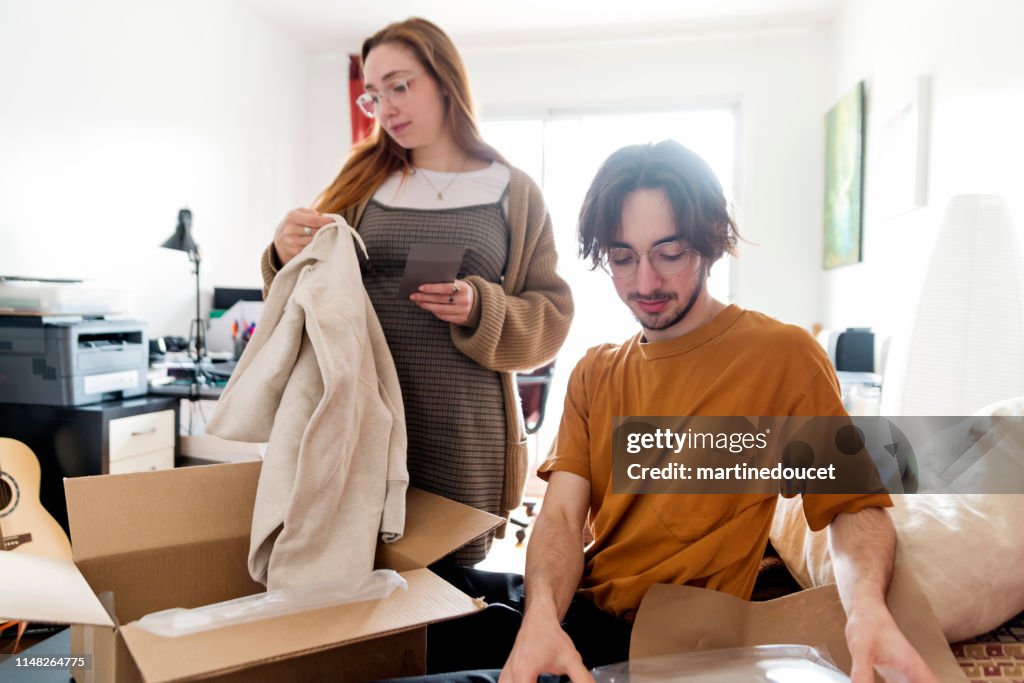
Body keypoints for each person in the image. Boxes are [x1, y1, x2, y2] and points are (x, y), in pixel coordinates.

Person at [395, 141, 938, 683]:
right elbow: (560, 517)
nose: (646, 283)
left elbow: (852, 508)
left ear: (709, 244)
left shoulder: (783, 358)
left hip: (650, 641)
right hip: (574, 603)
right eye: (623, 257)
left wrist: (867, 609)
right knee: (402, 599)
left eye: (670, 253)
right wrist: (541, 617)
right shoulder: (595, 370)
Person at [260, 17, 573, 565]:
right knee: (353, 584)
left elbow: (550, 317)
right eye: (374, 96)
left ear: (445, 80)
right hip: (363, 420)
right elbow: (301, 296)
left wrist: (482, 307)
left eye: (400, 86)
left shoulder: (514, 191)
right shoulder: (360, 180)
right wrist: (283, 254)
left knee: (449, 599)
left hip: (462, 429)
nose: (386, 109)